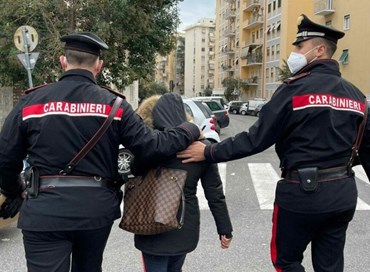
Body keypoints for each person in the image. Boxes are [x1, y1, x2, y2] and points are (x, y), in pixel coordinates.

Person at [178, 14, 369, 272]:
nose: (294, 53)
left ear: (320, 50)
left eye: (299, 47)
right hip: (343, 194)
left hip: (302, 194)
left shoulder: (294, 90)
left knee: (287, 261)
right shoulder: (356, 96)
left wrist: (208, 151)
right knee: (331, 265)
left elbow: (255, 139)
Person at [0, 32, 201, 272]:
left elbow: (5, 157)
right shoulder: (115, 106)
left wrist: (14, 191)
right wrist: (188, 130)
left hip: (44, 211)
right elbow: (152, 146)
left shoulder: (31, 103)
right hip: (94, 212)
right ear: (99, 65)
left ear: (63, 62)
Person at [131, 93, 233, 272]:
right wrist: (224, 228)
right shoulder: (200, 148)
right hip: (184, 225)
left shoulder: (152, 144)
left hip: (150, 223)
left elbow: (133, 169)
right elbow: (214, 192)